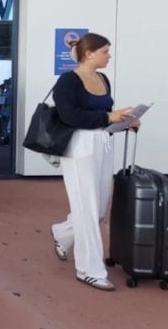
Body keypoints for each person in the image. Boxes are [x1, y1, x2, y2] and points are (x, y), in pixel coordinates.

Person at [50, 32, 137, 292]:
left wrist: (125, 121)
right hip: (79, 146)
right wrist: (109, 117)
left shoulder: (102, 79)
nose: (109, 56)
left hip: (103, 142)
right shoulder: (68, 81)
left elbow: (104, 114)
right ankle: (89, 269)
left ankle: (63, 232)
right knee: (87, 209)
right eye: (105, 52)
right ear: (89, 54)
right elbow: (69, 116)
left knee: (98, 208)